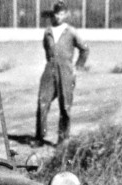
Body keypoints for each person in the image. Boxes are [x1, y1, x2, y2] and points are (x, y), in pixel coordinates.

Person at [34, 1, 89, 147]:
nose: (58, 16)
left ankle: (63, 139)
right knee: (42, 101)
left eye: (61, 13)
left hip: (66, 71)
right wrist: (52, 63)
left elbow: (85, 49)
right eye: (56, 13)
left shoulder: (71, 31)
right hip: (50, 69)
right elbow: (47, 50)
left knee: (65, 106)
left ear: (66, 14)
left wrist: (77, 67)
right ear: (53, 14)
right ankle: (40, 137)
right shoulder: (48, 32)